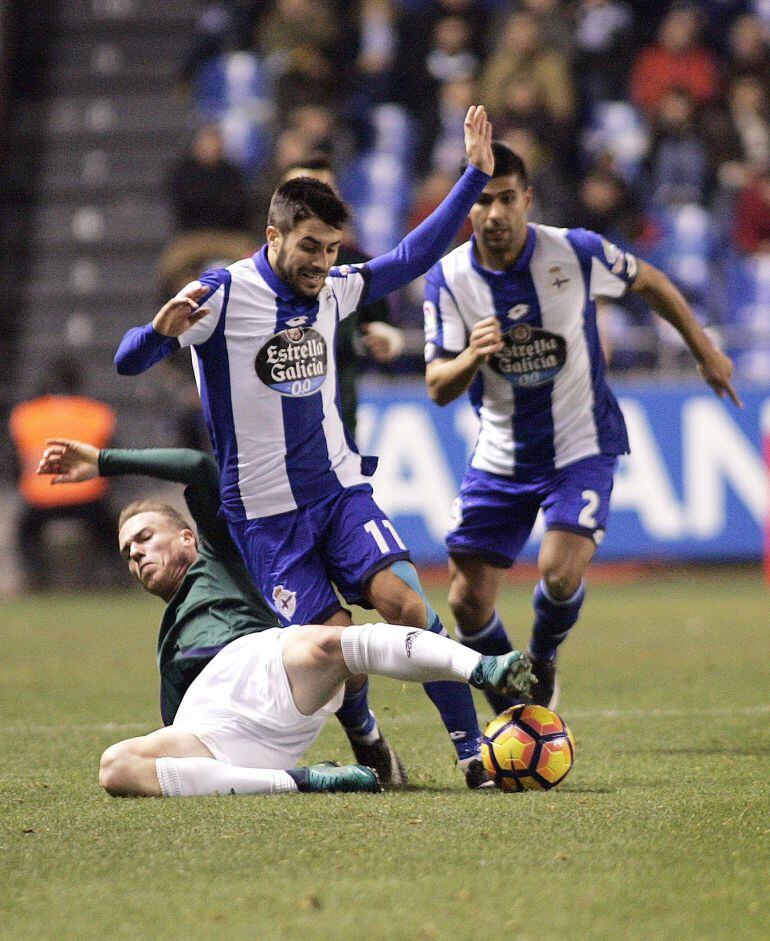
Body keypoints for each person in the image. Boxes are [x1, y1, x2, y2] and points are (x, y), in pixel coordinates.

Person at [114, 106, 499, 787]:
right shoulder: (222, 294)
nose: (324, 262)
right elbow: (127, 360)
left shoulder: (336, 289)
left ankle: (474, 754)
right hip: (265, 519)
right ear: (275, 235)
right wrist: (156, 332)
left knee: (407, 604)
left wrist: (472, 178)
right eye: (312, 246)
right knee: (337, 645)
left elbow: (410, 255)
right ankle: (369, 737)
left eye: (332, 248)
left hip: (337, 493)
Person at [422, 141, 740, 713]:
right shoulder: (448, 280)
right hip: (501, 453)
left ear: (528, 200)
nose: (495, 214)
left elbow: (651, 281)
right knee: (466, 601)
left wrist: (705, 351)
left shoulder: (573, 251)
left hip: (580, 442)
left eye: (507, 199)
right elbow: (437, 387)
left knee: (559, 573)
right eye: (484, 201)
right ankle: (516, 706)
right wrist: (470, 357)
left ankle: (540, 664)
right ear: (468, 206)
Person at [37, 439, 534, 798]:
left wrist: (102, 461)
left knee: (332, 642)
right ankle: (303, 780)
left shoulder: (224, 558)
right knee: (117, 767)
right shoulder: (167, 643)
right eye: (127, 552)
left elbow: (196, 465)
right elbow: (174, 736)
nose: (135, 554)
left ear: (187, 538)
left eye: (144, 537)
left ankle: (481, 669)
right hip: (219, 732)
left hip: (271, 673)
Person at [282, 156, 404, 439]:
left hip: (338, 420)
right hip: (274, 429)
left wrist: (387, 339)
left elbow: (386, 328)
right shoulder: (252, 272)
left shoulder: (356, 268)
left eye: (323, 193)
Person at [9, 358, 117, 590]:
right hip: (88, 497)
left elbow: (15, 463)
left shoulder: (25, 415)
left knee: (24, 533)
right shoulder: (97, 413)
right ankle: (116, 579)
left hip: (41, 499)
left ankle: (35, 579)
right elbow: (112, 460)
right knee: (112, 533)